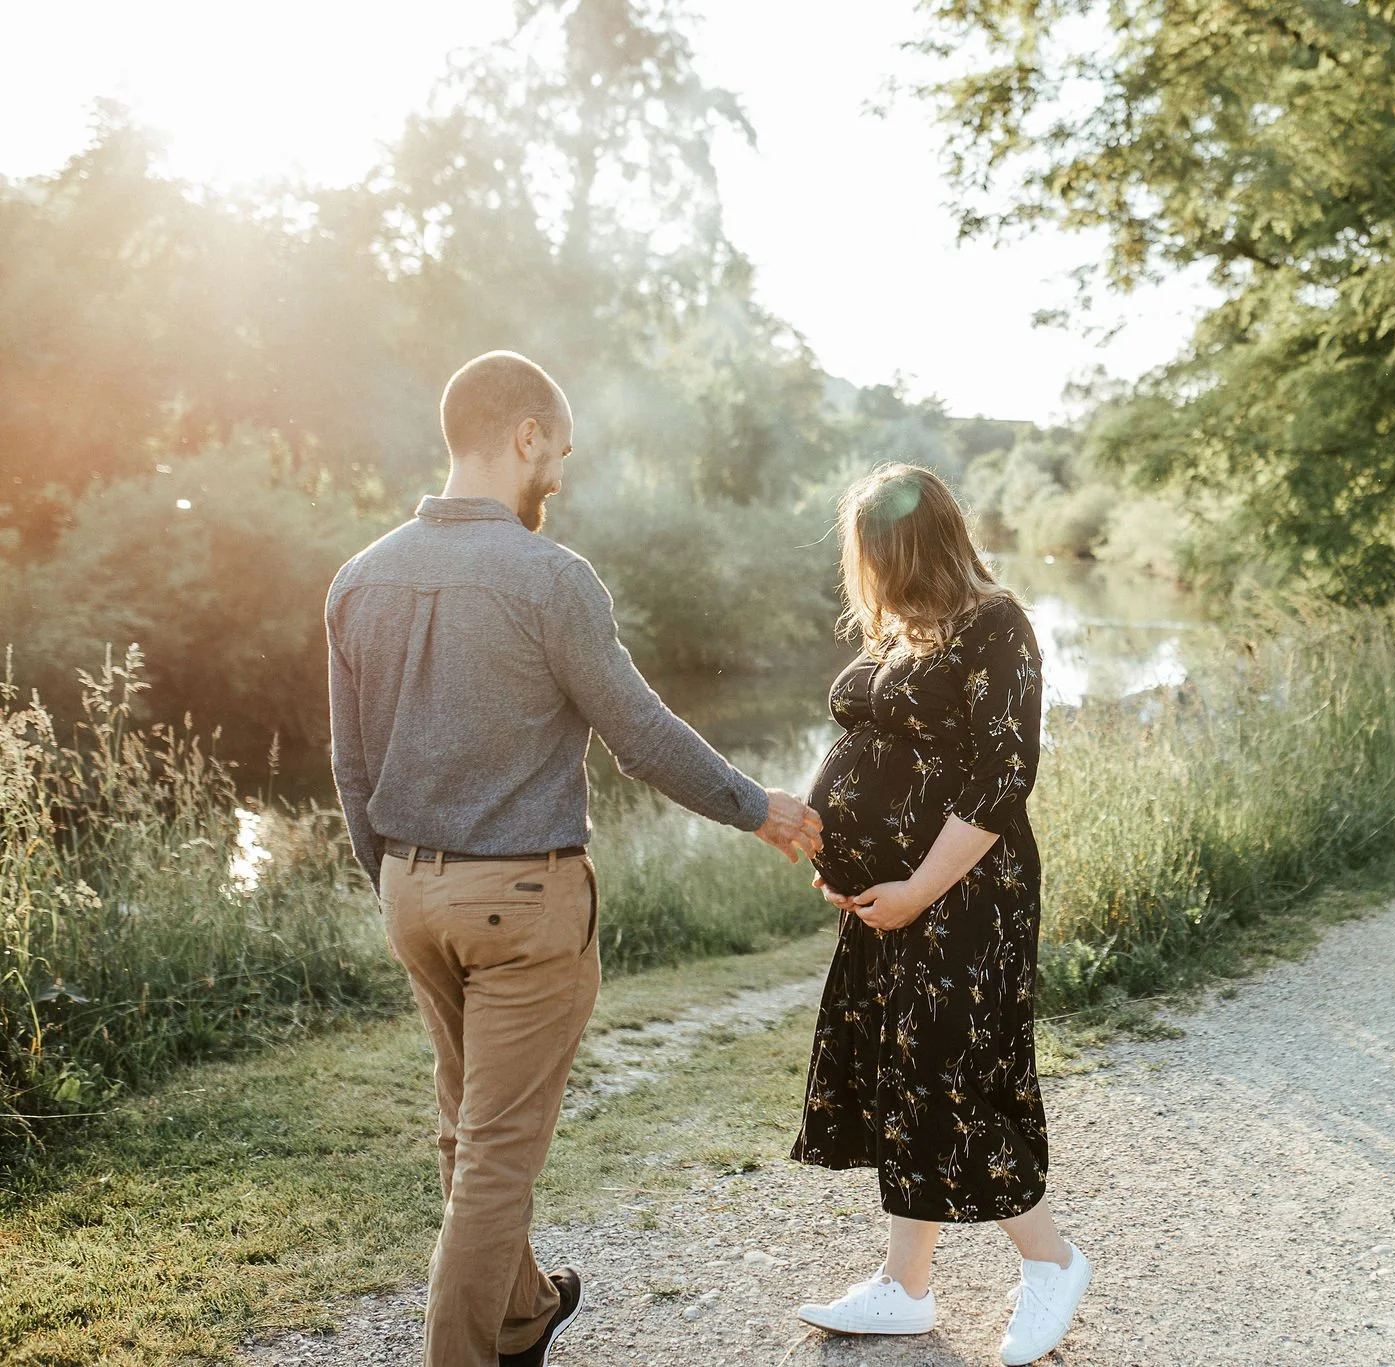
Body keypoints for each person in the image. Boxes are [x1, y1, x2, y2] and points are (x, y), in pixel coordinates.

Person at [325, 350, 822, 1367]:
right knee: (494, 1161)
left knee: (466, 1125)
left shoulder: (357, 577)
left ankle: (522, 1313)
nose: (559, 471)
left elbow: (348, 763)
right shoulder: (551, 577)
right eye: (558, 449)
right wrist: (756, 807)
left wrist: (395, 881)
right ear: (524, 436)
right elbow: (637, 735)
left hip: (411, 893)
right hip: (521, 903)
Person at [790, 464, 1090, 1366]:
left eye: (871, 552)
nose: (862, 571)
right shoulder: (902, 638)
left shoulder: (997, 626)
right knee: (904, 1070)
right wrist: (839, 854)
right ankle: (906, 1286)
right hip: (898, 901)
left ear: (910, 546)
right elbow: (871, 755)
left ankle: (1052, 1261)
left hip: (968, 899)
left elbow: (1003, 779)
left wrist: (916, 886)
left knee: (955, 1072)